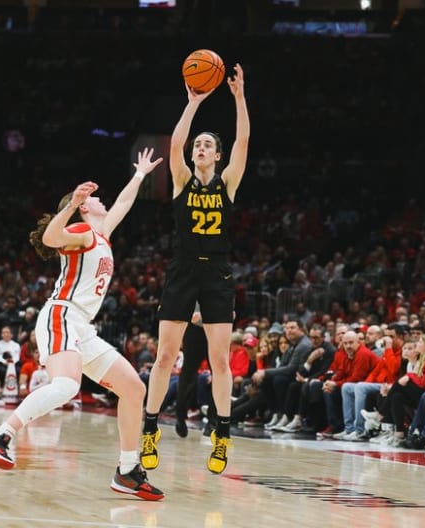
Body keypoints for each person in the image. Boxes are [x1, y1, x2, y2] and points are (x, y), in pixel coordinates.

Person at [0, 148, 164, 501]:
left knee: (135, 389)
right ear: (83, 207)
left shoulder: (101, 233)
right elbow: (49, 238)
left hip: (82, 326)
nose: (102, 200)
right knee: (66, 387)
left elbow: (123, 204)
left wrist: (139, 175)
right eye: (94, 199)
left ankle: (127, 470)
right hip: (61, 314)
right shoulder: (79, 230)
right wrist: (73, 201)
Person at [141, 64, 249, 475]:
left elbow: (243, 141)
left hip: (217, 273)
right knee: (166, 354)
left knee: (219, 361)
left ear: (218, 156)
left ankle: (222, 434)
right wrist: (192, 104)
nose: (200, 147)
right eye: (198, 144)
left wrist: (238, 99)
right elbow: (175, 145)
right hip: (183, 270)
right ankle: (150, 427)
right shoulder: (183, 180)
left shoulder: (229, 182)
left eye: (208, 145)